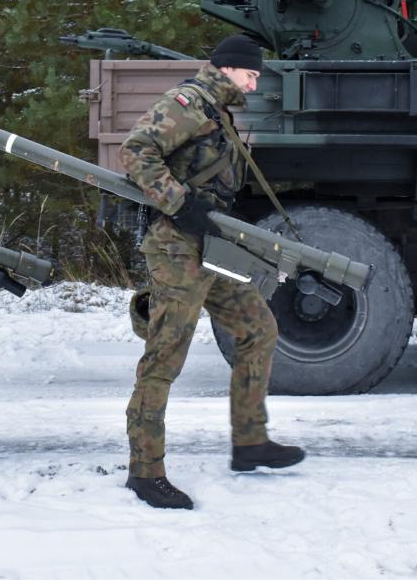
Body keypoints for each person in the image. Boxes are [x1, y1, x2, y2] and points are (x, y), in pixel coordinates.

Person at [119, 34, 306, 510]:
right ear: (227, 68)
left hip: (209, 245)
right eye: (251, 71)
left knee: (257, 329)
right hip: (178, 246)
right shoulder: (187, 103)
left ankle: (249, 443)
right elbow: (137, 149)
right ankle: (145, 473)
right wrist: (179, 205)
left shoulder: (216, 110)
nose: (256, 79)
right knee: (164, 358)